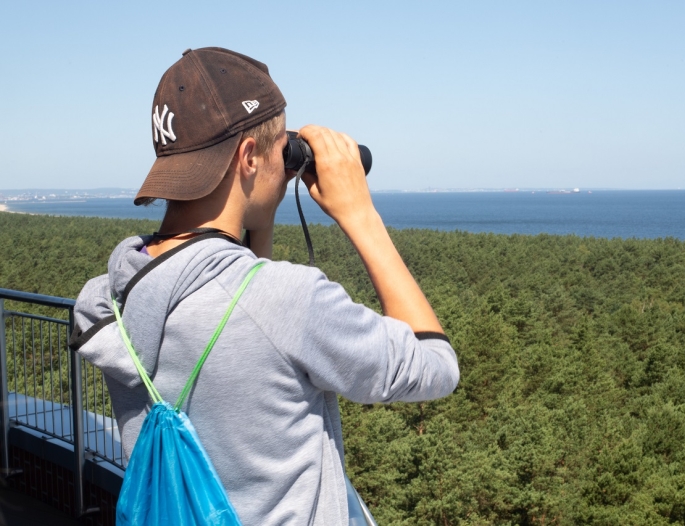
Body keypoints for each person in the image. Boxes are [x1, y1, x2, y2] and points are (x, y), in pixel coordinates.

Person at [69, 47, 459, 524]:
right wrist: (361, 214)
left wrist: (261, 212)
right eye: (280, 148)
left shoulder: (118, 293)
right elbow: (436, 367)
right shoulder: (290, 301)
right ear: (249, 156)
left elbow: (234, 305)